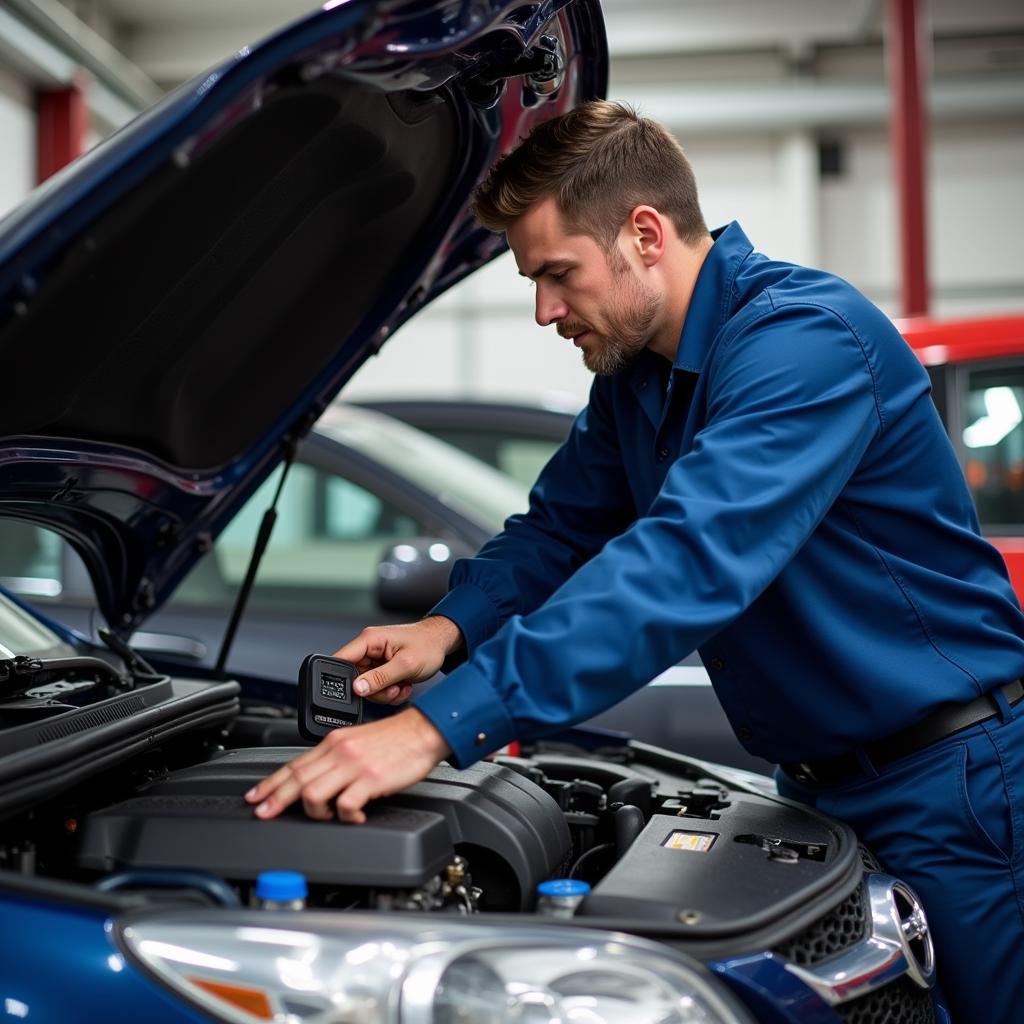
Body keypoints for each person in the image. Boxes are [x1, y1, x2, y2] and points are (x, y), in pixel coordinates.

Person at [246, 101, 1024, 1020]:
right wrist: (444, 630)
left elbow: (684, 562)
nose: (544, 310)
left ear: (644, 234)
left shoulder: (805, 344)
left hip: (955, 785)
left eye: (557, 274)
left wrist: (435, 729)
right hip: (821, 787)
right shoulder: (638, 378)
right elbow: (561, 531)